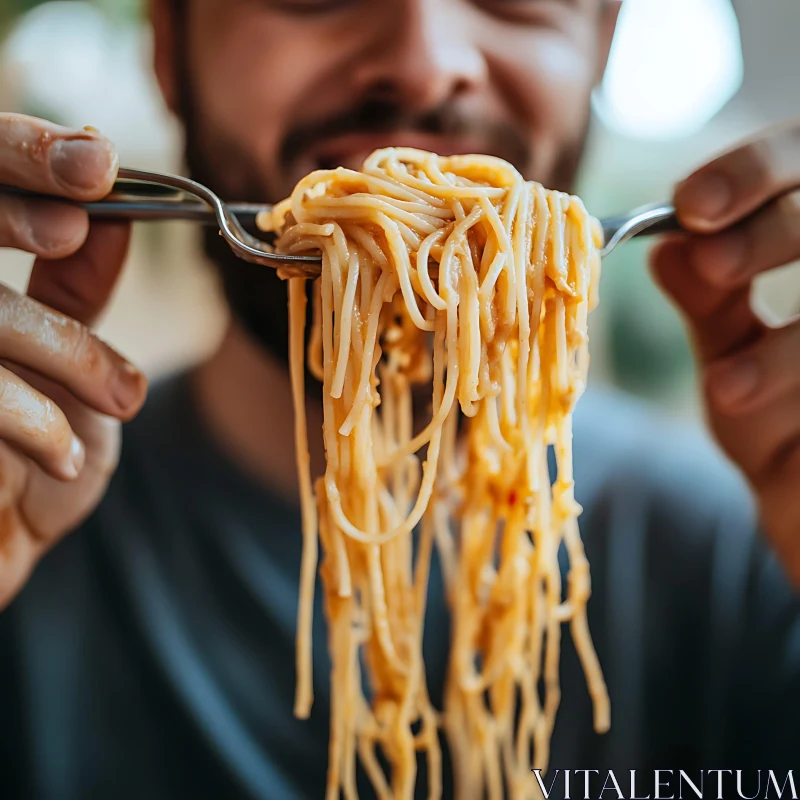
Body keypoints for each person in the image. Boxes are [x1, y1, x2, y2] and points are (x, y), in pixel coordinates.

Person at [0, 0, 798, 798]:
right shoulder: (29, 529)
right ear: (171, 51)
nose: (423, 60)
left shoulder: (749, 561)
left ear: (601, 45)